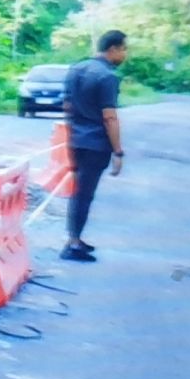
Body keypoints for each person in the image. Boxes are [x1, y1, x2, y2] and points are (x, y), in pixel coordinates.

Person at [61, 30, 128, 262]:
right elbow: (109, 117)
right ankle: (72, 243)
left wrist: (73, 132)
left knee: (79, 191)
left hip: (76, 140)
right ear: (113, 49)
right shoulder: (107, 76)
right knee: (84, 194)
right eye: (124, 49)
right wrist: (118, 151)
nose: (125, 54)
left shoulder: (77, 68)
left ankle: (75, 238)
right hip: (96, 143)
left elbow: (67, 106)